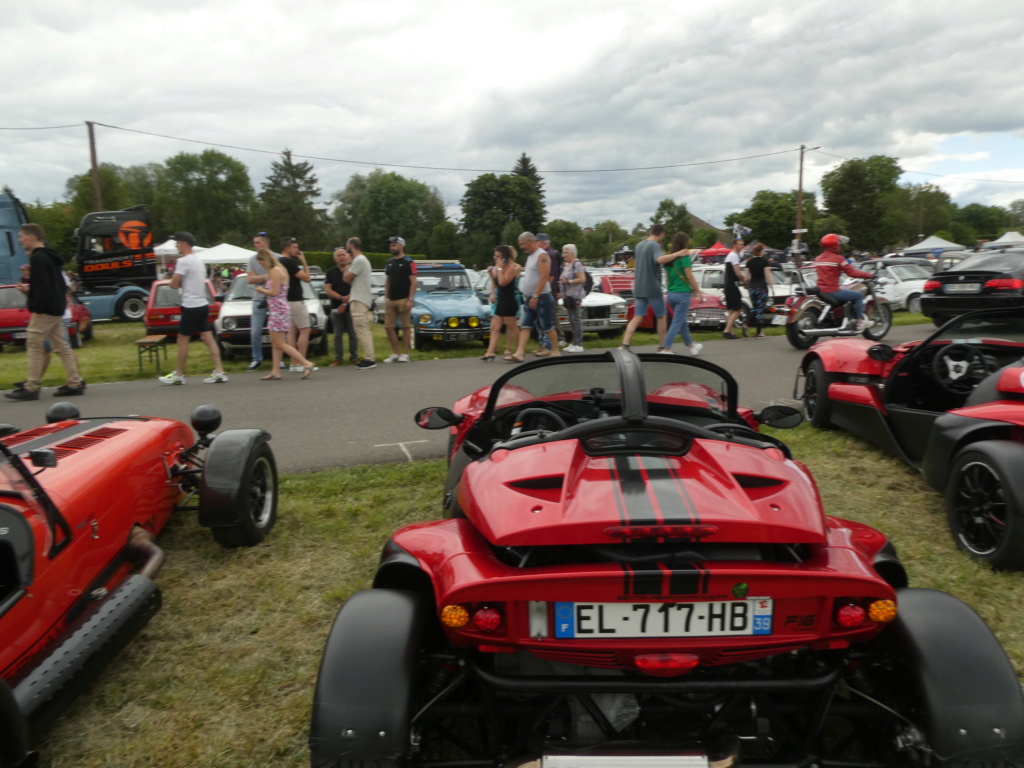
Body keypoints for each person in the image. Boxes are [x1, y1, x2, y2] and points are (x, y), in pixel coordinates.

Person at [5, 224, 85, 401]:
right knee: (61, 346)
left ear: (32, 237)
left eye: (21, 236)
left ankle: (31, 387)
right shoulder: (50, 255)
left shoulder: (39, 258)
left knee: (34, 344)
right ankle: (74, 382)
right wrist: (31, 292)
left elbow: (43, 288)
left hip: (45, 309)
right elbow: (52, 285)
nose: (19, 240)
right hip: (57, 307)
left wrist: (36, 304)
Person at [157, 233, 228, 385]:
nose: (176, 245)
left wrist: (173, 281)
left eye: (177, 243)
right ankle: (219, 371)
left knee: (182, 340)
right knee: (207, 338)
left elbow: (174, 284)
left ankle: (179, 375)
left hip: (191, 306)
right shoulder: (198, 260)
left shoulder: (183, 261)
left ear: (184, 243)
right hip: (203, 304)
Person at [251, 249, 316, 379]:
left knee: (280, 343)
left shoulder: (275, 271)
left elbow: (274, 292)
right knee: (276, 343)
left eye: (261, 262)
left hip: (278, 309)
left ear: (266, 259)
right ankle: (275, 371)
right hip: (278, 309)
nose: (261, 265)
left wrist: (262, 290)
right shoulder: (278, 270)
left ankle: (305, 363)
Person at [506, 232, 559, 362]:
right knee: (525, 326)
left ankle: (556, 350)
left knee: (547, 326)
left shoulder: (542, 255)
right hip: (531, 297)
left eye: (523, 244)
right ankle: (519, 353)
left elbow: (544, 276)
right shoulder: (530, 257)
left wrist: (536, 295)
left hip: (542, 297)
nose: (521, 247)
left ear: (530, 241)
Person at [619, 224, 668, 350]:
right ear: (661, 234)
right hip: (652, 286)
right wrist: (674, 255)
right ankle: (662, 346)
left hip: (639, 286)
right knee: (661, 316)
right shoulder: (655, 246)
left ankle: (625, 343)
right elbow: (658, 260)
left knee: (638, 316)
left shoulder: (639, 245)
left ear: (651, 231)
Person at [814, 233, 873, 330]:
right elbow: (851, 272)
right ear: (834, 246)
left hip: (820, 290)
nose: (839, 246)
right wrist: (867, 275)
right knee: (858, 296)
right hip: (832, 290)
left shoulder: (818, 259)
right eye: (838, 244)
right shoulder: (838, 259)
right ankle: (860, 322)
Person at [660, 232, 703, 356]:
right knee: (677, 322)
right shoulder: (685, 257)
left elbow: (667, 278)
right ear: (684, 242)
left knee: (681, 320)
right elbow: (689, 275)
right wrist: (698, 291)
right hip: (682, 293)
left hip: (671, 293)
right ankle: (666, 348)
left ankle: (691, 346)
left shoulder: (669, 258)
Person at [481, 245, 521, 361]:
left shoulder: (512, 267)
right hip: (501, 300)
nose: (495, 258)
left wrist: (498, 269)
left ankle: (519, 351)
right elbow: (498, 283)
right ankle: (490, 352)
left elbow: (504, 282)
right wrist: (491, 275)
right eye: (495, 256)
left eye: (498, 256)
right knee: (494, 327)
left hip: (509, 301)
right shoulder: (501, 267)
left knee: (512, 327)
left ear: (504, 257)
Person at [279, 237, 313, 371]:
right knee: (305, 330)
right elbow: (307, 278)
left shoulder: (279, 262)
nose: (297, 250)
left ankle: (294, 363)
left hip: (287, 300)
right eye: (294, 247)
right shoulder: (289, 262)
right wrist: (304, 261)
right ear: (286, 248)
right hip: (296, 301)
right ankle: (302, 362)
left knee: (292, 331)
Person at [382, 236, 417, 363]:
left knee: (405, 326)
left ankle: (405, 354)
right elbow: (387, 280)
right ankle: (396, 353)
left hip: (404, 298)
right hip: (391, 299)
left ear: (402, 246)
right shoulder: (389, 262)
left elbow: (413, 281)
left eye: (394, 245)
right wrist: (386, 296)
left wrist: (410, 299)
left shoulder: (409, 262)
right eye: (391, 245)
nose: (392, 247)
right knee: (389, 326)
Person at [344, 237, 376, 370]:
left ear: (351, 246)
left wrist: (347, 263)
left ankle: (369, 358)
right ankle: (369, 356)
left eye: (347, 246)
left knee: (362, 329)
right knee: (362, 329)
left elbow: (346, 277)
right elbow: (351, 281)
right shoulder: (362, 260)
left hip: (359, 300)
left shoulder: (358, 260)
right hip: (361, 298)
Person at [324, 247, 359, 366]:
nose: (342, 257)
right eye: (339, 255)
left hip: (351, 307)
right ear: (335, 258)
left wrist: (345, 302)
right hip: (336, 307)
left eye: (343, 254)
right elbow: (328, 289)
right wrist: (340, 298)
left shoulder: (352, 271)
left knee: (352, 334)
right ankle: (338, 358)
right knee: (337, 334)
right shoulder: (330, 272)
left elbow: (356, 287)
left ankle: (354, 357)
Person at [245, 232, 274, 371]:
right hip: (258, 299)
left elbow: (280, 279)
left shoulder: (277, 258)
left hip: (274, 299)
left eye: (257, 242)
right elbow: (249, 279)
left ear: (265, 243)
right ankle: (257, 359)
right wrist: (268, 276)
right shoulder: (252, 259)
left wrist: (259, 277)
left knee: (276, 332)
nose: (255, 245)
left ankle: (278, 360)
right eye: (254, 243)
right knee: (255, 332)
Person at [558, 244, 586, 352]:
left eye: (565, 252)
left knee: (576, 319)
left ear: (572, 253)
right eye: (563, 252)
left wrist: (569, 281)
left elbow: (582, 279)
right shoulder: (568, 265)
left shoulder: (577, 264)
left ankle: (579, 344)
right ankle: (574, 342)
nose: (563, 255)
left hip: (575, 296)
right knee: (571, 319)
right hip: (568, 296)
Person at [744, 243, 774, 338]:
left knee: (754, 308)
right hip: (762, 287)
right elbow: (768, 276)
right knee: (760, 309)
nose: (764, 252)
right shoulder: (765, 262)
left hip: (752, 287)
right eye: (763, 250)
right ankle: (759, 332)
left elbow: (746, 278)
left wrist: (746, 285)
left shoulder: (749, 262)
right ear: (760, 251)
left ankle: (746, 324)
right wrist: (772, 287)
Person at [722, 238, 746, 339]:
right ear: (734, 245)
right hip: (732, 285)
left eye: (743, 244)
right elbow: (738, 273)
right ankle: (727, 330)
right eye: (740, 244)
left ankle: (730, 332)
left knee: (731, 310)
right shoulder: (734, 256)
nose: (742, 246)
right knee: (737, 309)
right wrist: (745, 279)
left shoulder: (729, 256)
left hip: (727, 285)